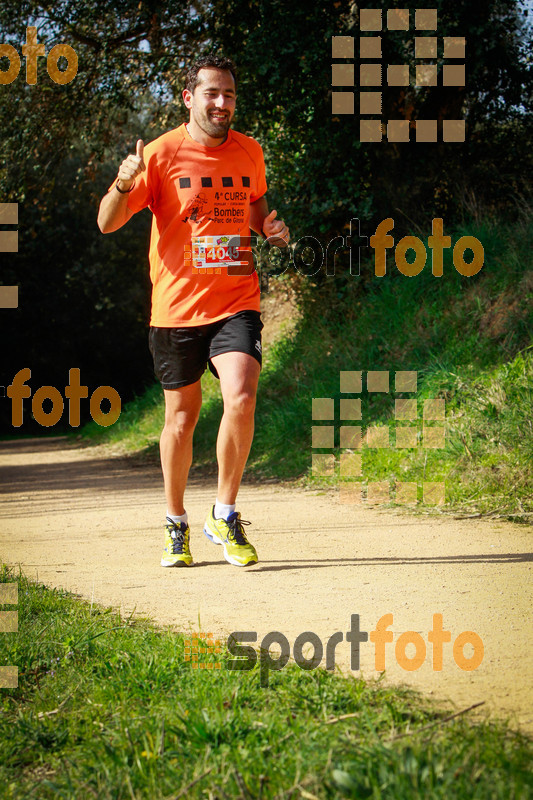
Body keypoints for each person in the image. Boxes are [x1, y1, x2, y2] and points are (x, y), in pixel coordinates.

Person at [97, 54, 289, 569]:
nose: (222, 103)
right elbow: (106, 223)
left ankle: (224, 514)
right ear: (190, 98)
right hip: (177, 309)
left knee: (242, 397)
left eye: (229, 94)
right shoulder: (160, 155)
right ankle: (176, 523)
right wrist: (122, 181)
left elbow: (254, 207)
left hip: (236, 301)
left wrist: (268, 228)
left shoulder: (250, 151)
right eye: (212, 94)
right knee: (181, 421)